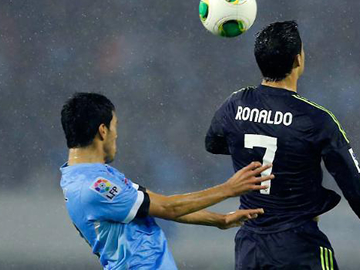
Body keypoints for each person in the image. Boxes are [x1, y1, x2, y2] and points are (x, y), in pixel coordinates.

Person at [205, 21, 360, 270]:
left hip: (250, 248)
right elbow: (353, 186)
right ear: (298, 60)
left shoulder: (235, 105)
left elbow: (212, 143)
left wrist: (253, 147)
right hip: (299, 246)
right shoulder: (315, 120)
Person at [59, 92, 274, 270]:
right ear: (103, 130)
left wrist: (220, 220)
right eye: (115, 126)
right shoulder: (93, 187)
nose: (117, 134)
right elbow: (169, 208)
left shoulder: (95, 176)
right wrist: (228, 189)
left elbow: (160, 204)